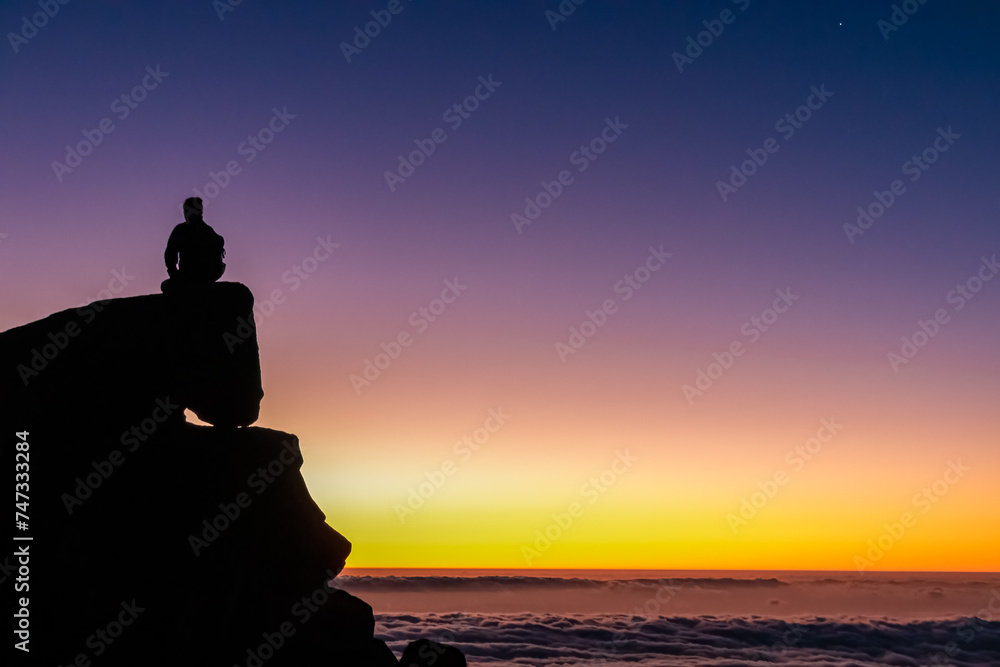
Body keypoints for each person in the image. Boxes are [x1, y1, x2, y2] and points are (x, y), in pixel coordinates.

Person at [161, 197, 226, 293]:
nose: (185, 214)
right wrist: (174, 274)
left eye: (187, 211)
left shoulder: (183, 230)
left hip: (196, 277)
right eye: (185, 211)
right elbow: (170, 255)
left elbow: (170, 254)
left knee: (167, 286)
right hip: (191, 277)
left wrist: (175, 275)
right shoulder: (210, 233)